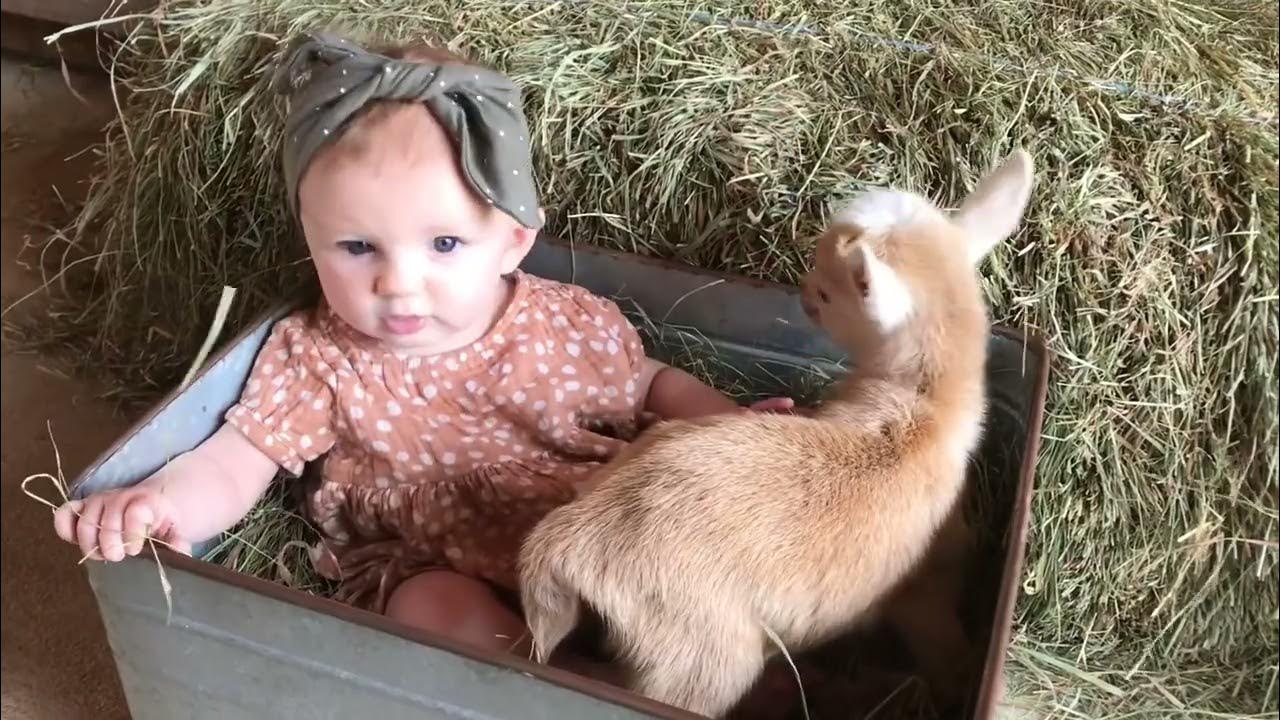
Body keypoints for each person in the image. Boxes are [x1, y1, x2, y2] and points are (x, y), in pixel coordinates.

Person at [52, 31, 791, 669]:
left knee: (702, 555)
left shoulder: (565, 322)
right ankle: (562, 687)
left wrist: (730, 427)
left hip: (594, 530)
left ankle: (708, 668)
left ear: (513, 239)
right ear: (308, 239)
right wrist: (164, 504)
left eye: (443, 243)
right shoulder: (315, 355)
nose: (398, 284)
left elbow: (653, 383)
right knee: (433, 612)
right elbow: (236, 458)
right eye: (354, 246)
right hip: (442, 560)